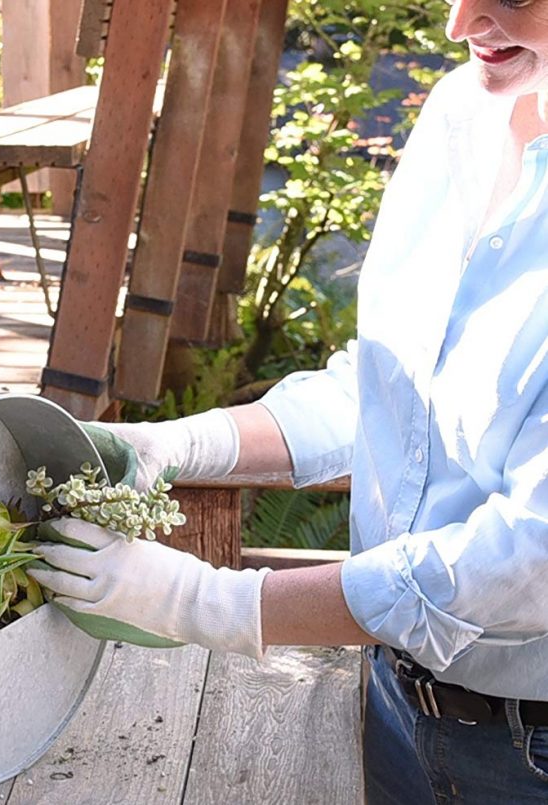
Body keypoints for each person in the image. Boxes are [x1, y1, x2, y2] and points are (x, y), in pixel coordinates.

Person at [28, 0, 548, 801]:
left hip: (524, 752)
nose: (459, 24)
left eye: (511, 1)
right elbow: (385, 384)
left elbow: (525, 561)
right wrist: (186, 443)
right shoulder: (461, 110)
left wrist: (211, 601)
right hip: (394, 698)